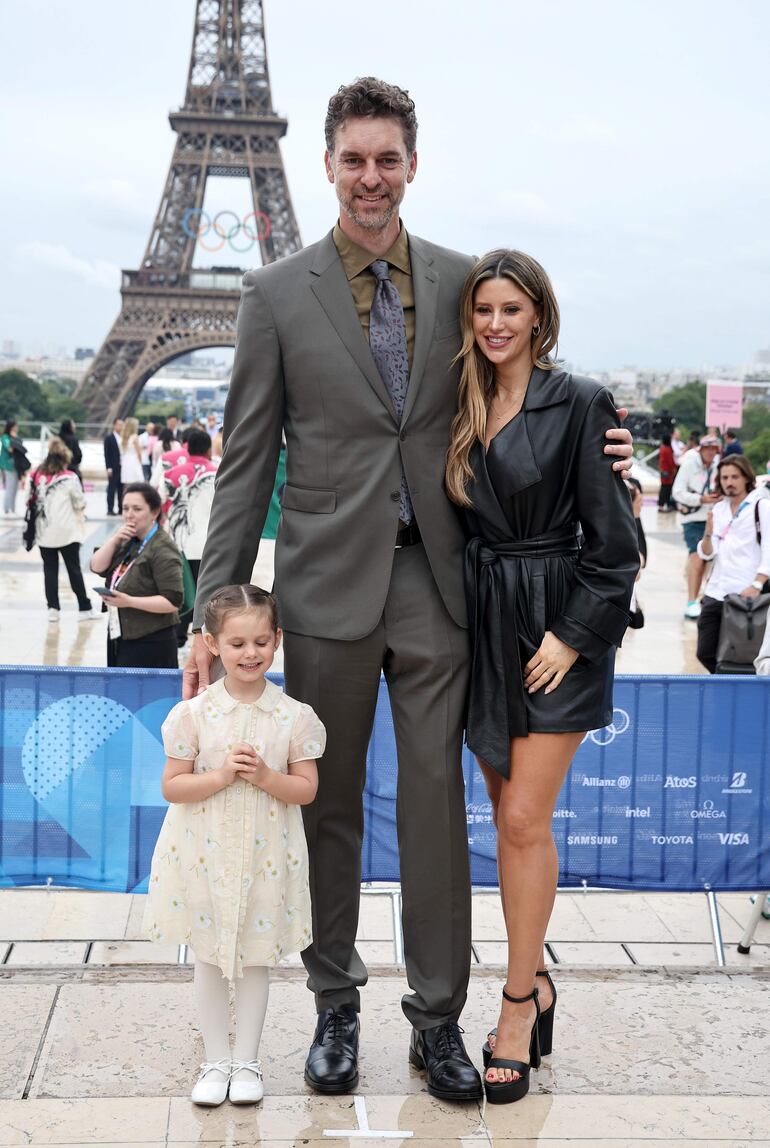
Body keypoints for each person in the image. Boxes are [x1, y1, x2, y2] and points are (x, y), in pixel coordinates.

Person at [182, 77, 634, 1100]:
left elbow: (527, 387)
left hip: (439, 579)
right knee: (325, 804)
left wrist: (602, 440)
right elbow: (246, 458)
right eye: (354, 159)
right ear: (328, 165)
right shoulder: (274, 295)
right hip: (325, 581)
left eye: (387, 159)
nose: (370, 176)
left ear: (412, 165)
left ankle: (437, 1017)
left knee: (434, 807)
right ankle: (334, 1005)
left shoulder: (461, 278)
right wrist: (217, 603)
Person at [445, 250, 638, 1104]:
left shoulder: (583, 401)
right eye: (483, 308)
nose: (494, 323)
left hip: (554, 627)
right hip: (483, 625)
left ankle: (518, 1004)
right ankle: (540, 978)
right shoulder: (457, 401)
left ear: (539, 316)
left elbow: (618, 547)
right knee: (507, 821)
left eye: (510, 309)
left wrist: (573, 636)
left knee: (524, 818)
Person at [143, 584, 325, 1106]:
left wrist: (266, 775)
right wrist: (222, 775)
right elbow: (173, 786)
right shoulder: (193, 715)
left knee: (254, 959)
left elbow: (306, 789)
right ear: (213, 643)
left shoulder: (294, 716)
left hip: (266, 857)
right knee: (208, 956)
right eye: (238, 643)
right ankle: (214, 1061)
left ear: (278, 641)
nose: (251, 654)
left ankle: (246, 1060)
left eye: (262, 642)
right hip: (204, 854)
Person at [90, 482, 183, 668]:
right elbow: (96, 566)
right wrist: (115, 539)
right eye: (125, 508)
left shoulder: (162, 548)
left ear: (154, 513)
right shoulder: (129, 540)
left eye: (137, 509)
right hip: (121, 633)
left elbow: (173, 601)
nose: (129, 515)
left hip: (151, 641)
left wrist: (129, 601)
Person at [695, 455, 770, 672]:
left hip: (746, 595)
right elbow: (707, 554)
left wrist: (757, 584)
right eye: (725, 477)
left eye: (735, 477)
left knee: (742, 656)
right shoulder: (719, 509)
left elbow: (768, 549)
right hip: (717, 591)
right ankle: (724, 687)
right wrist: (708, 532)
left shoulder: (761, 506)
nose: (729, 482)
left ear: (746, 478)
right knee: (705, 651)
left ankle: (737, 696)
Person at [29, 437, 96, 623]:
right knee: (74, 570)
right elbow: (79, 502)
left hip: (44, 531)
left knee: (49, 571)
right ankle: (84, 608)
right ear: (65, 459)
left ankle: (53, 609)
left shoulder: (36, 475)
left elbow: (30, 500)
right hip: (67, 531)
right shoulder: (70, 477)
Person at [161, 429, 218, 645]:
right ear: (208, 449)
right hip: (207, 542)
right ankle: (201, 637)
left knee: (181, 590)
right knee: (205, 592)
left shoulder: (169, 474)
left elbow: (161, 504)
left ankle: (178, 637)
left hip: (177, 543)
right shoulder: (216, 472)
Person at [672, 434, 720, 619]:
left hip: (714, 517)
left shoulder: (719, 465)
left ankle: (706, 599)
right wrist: (700, 499)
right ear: (701, 449)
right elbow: (677, 492)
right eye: (707, 448)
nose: (710, 452)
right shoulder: (689, 465)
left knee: (712, 560)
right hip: (692, 518)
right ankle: (691, 601)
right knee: (696, 557)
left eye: (713, 449)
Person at [1, 420, 27, 514]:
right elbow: (10, 449)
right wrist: (14, 440)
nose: (17, 428)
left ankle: (13, 508)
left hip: (17, 465)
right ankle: (7, 509)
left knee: (15, 488)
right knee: (9, 487)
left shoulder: (16, 437)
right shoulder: (5, 437)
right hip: (8, 465)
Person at [103, 417, 123, 515]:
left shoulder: (123, 438)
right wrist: (108, 468)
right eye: (119, 424)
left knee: (121, 489)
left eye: (122, 424)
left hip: (122, 467)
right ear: (114, 425)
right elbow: (107, 454)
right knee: (112, 488)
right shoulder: (109, 438)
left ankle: (120, 508)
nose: (121, 426)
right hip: (113, 467)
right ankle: (110, 509)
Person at [120, 417, 145, 485]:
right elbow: (139, 452)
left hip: (126, 461)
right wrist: (141, 462)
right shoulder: (135, 437)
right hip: (134, 460)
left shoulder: (123, 437)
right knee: (136, 482)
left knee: (127, 482)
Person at [58, 419, 83, 485]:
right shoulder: (73, 439)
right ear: (69, 427)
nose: (75, 426)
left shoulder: (57, 439)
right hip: (72, 469)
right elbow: (78, 455)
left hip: (57, 470)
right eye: (73, 425)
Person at [657, 433, 675, 512]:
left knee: (663, 488)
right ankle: (666, 505)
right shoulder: (668, 449)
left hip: (663, 471)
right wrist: (674, 469)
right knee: (666, 489)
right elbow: (671, 462)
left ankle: (661, 505)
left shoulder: (662, 448)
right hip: (668, 472)